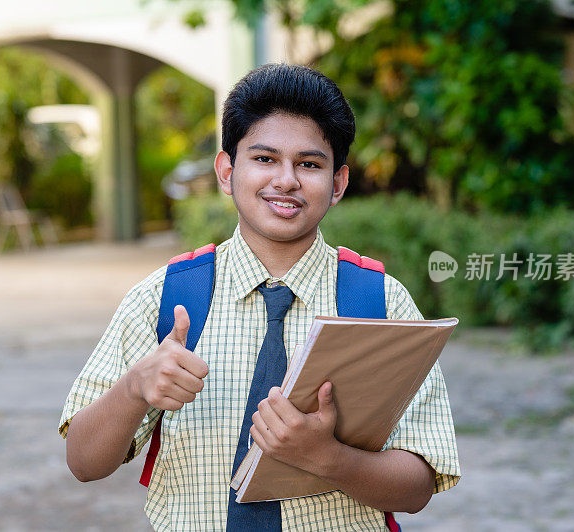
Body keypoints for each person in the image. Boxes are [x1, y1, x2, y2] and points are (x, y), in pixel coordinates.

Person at [59, 63, 460, 531]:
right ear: (227, 172)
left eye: (309, 164)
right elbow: (84, 463)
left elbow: (419, 486)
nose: (286, 180)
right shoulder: (164, 299)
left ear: (338, 184)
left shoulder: (380, 304)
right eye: (265, 159)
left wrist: (328, 457)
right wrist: (134, 387)